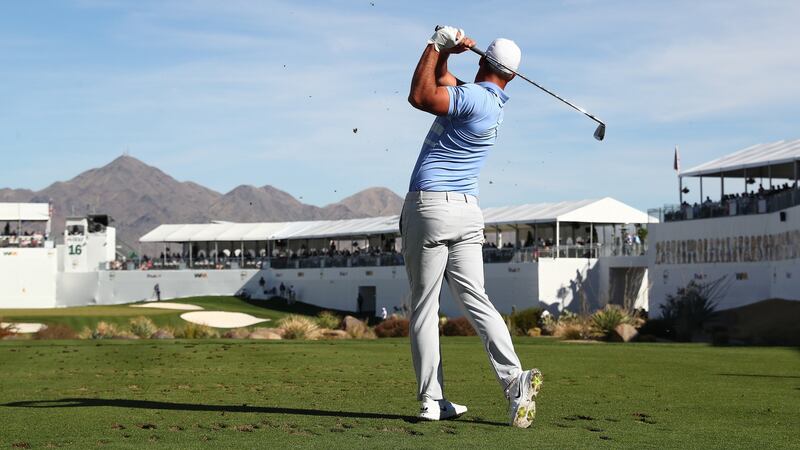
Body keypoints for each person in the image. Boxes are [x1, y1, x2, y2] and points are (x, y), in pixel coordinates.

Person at [401, 25, 541, 428]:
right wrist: (447, 55)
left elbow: (420, 95)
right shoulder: (492, 103)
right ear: (511, 77)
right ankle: (515, 382)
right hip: (468, 212)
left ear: (483, 61)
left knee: (425, 307)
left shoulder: (475, 97)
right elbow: (444, 82)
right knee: (477, 300)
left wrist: (435, 44)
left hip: (430, 206)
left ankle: (431, 400)